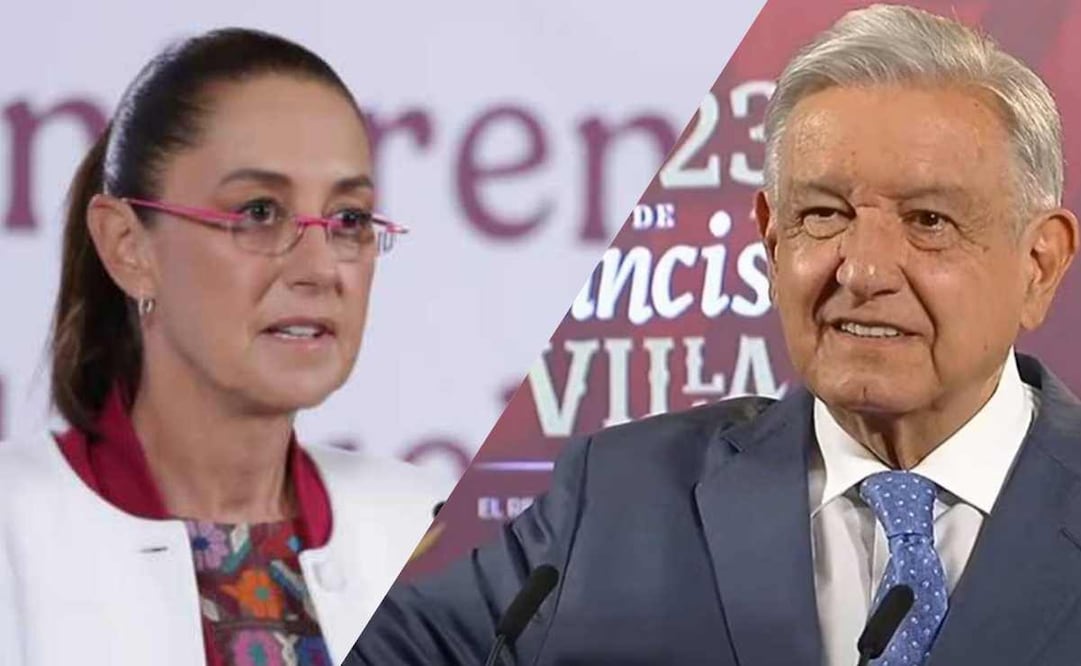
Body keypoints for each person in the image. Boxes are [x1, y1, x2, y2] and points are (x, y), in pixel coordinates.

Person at [348, 4, 1081, 666]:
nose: (860, 270)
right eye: (823, 214)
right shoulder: (616, 496)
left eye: (928, 221)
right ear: (770, 238)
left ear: (1038, 263)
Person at [0, 28, 447, 666]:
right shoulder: (14, 531)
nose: (319, 268)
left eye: (348, 219)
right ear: (128, 246)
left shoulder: (428, 532)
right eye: (260, 212)